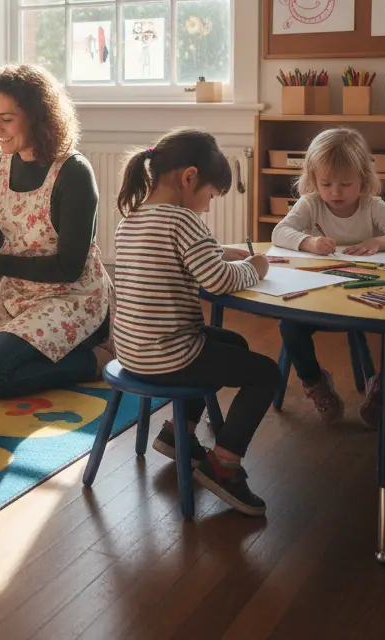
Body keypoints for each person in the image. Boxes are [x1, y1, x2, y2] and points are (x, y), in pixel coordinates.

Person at [113, 128, 279, 516]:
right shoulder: (184, 221)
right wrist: (255, 267)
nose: (206, 207)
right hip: (171, 356)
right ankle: (224, 466)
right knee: (266, 373)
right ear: (189, 178)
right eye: (209, 197)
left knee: (233, 345)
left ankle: (178, 433)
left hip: (133, 352)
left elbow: (170, 255)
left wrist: (217, 251)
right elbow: (218, 279)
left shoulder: (132, 218)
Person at [0, 64, 111, 398]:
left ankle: (94, 361)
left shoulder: (74, 173)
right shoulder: (3, 166)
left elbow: (69, 268)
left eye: (7, 119)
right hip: (18, 296)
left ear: (38, 117)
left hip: (70, 298)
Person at [271, 127, 385, 427]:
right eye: (325, 183)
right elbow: (279, 232)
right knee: (290, 325)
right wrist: (308, 242)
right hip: (320, 296)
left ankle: (384, 387)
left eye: (345, 184)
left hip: (369, 295)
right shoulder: (311, 203)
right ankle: (316, 382)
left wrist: (379, 242)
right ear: (313, 180)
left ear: (364, 180)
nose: (335, 192)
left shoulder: (372, 205)